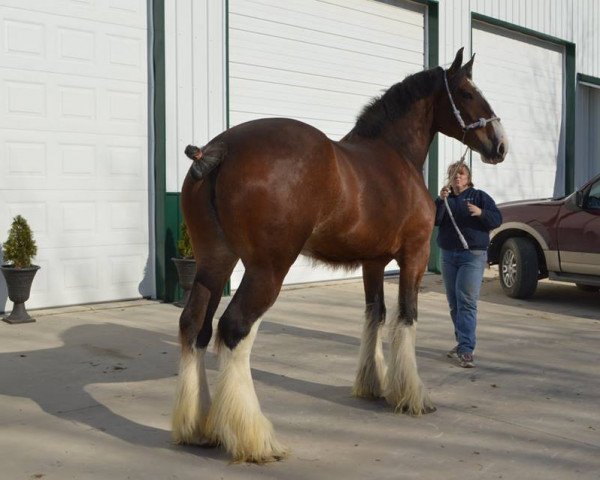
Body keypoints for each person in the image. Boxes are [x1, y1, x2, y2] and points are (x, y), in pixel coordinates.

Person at [434, 161, 502, 368]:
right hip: (448, 255)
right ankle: (462, 341)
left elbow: (497, 219)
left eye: (461, 174)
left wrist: (481, 213)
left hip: (472, 256)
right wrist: (440, 201)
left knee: (466, 302)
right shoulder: (445, 199)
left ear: (468, 177)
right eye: (453, 174)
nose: (457, 177)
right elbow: (435, 220)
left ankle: (466, 349)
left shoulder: (479, 196)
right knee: (454, 303)